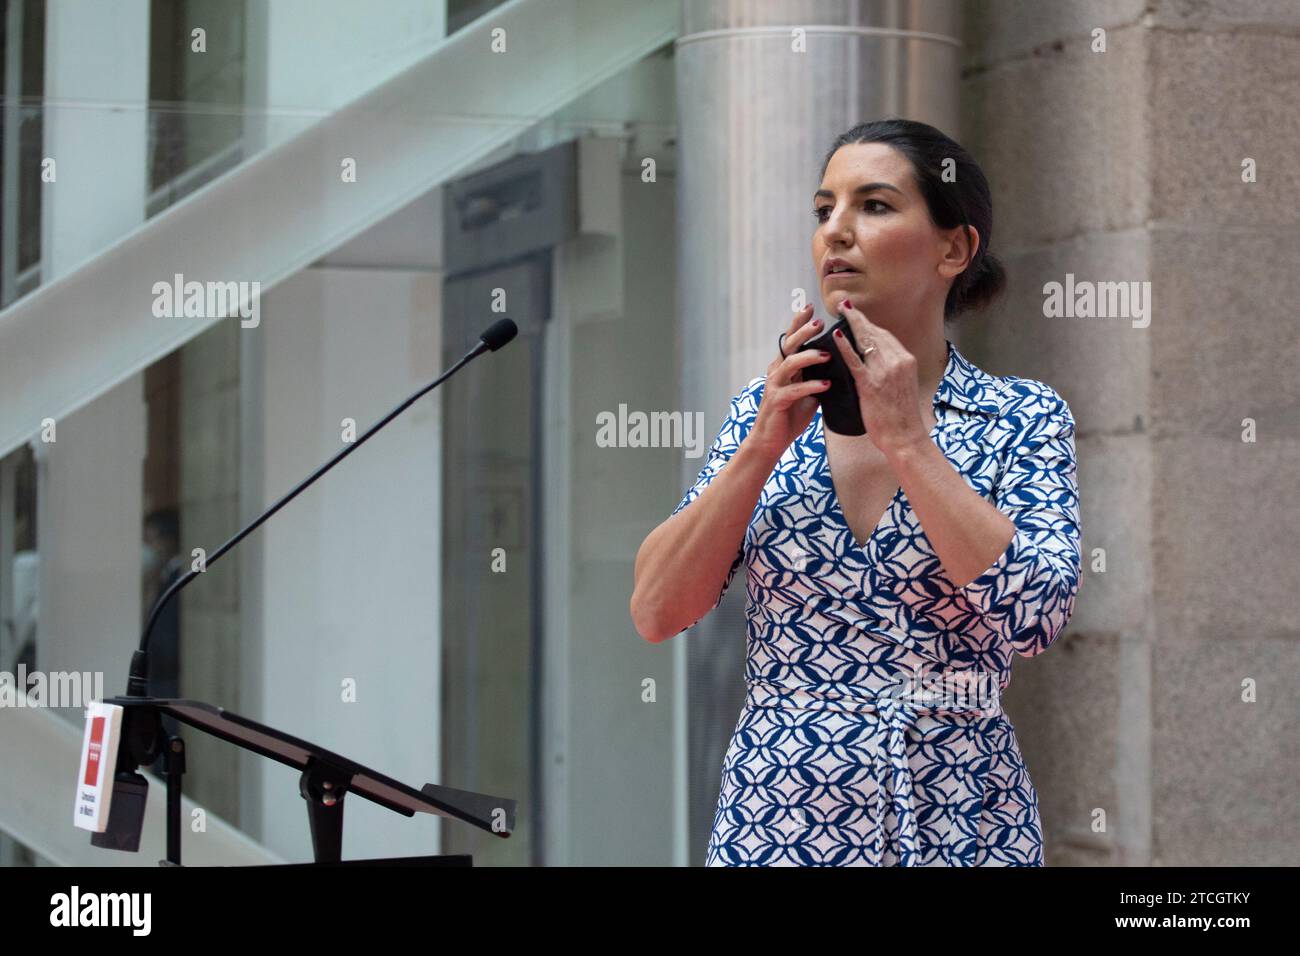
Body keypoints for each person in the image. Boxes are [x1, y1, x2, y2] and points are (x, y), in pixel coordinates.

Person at [630, 118, 1082, 866]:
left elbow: (1036, 616)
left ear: (955, 247)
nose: (835, 231)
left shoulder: (1022, 417)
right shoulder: (767, 409)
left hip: (960, 812)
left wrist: (909, 443)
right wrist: (762, 447)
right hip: (782, 814)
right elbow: (655, 610)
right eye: (823, 209)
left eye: (874, 205)